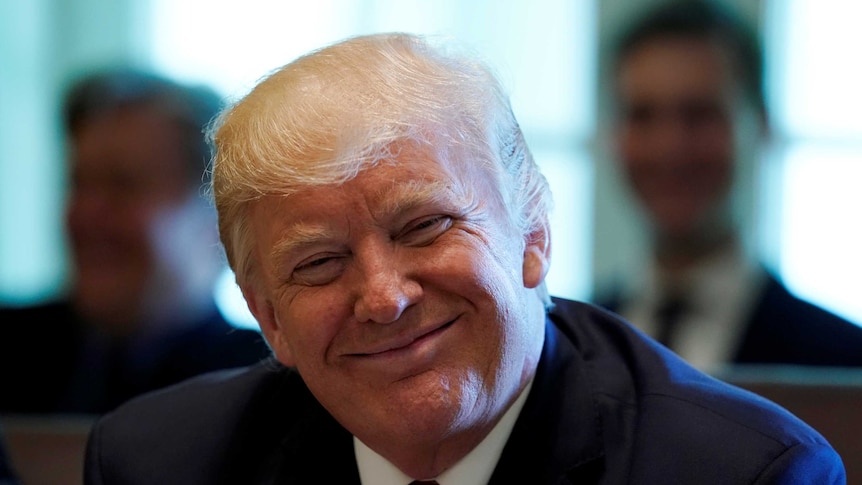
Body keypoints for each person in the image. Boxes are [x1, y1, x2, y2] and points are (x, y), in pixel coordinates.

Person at [82, 33, 845, 484]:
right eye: (318, 262)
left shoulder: (742, 473)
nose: (383, 296)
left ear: (534, 234)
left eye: (425, 226)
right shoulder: (161, 465)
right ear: (266, 316)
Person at [594, 0, 862, 372]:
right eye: (643, 115)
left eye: (699, 114)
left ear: (761, 126)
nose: (670, 147)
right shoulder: (565, 343)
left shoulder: (843, 361)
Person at [0, 68, 271, 415]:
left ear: (217, 219)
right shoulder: (8, 349)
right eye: (79, 184)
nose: (86, 213)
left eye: (122, 185)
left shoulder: (270, 385)